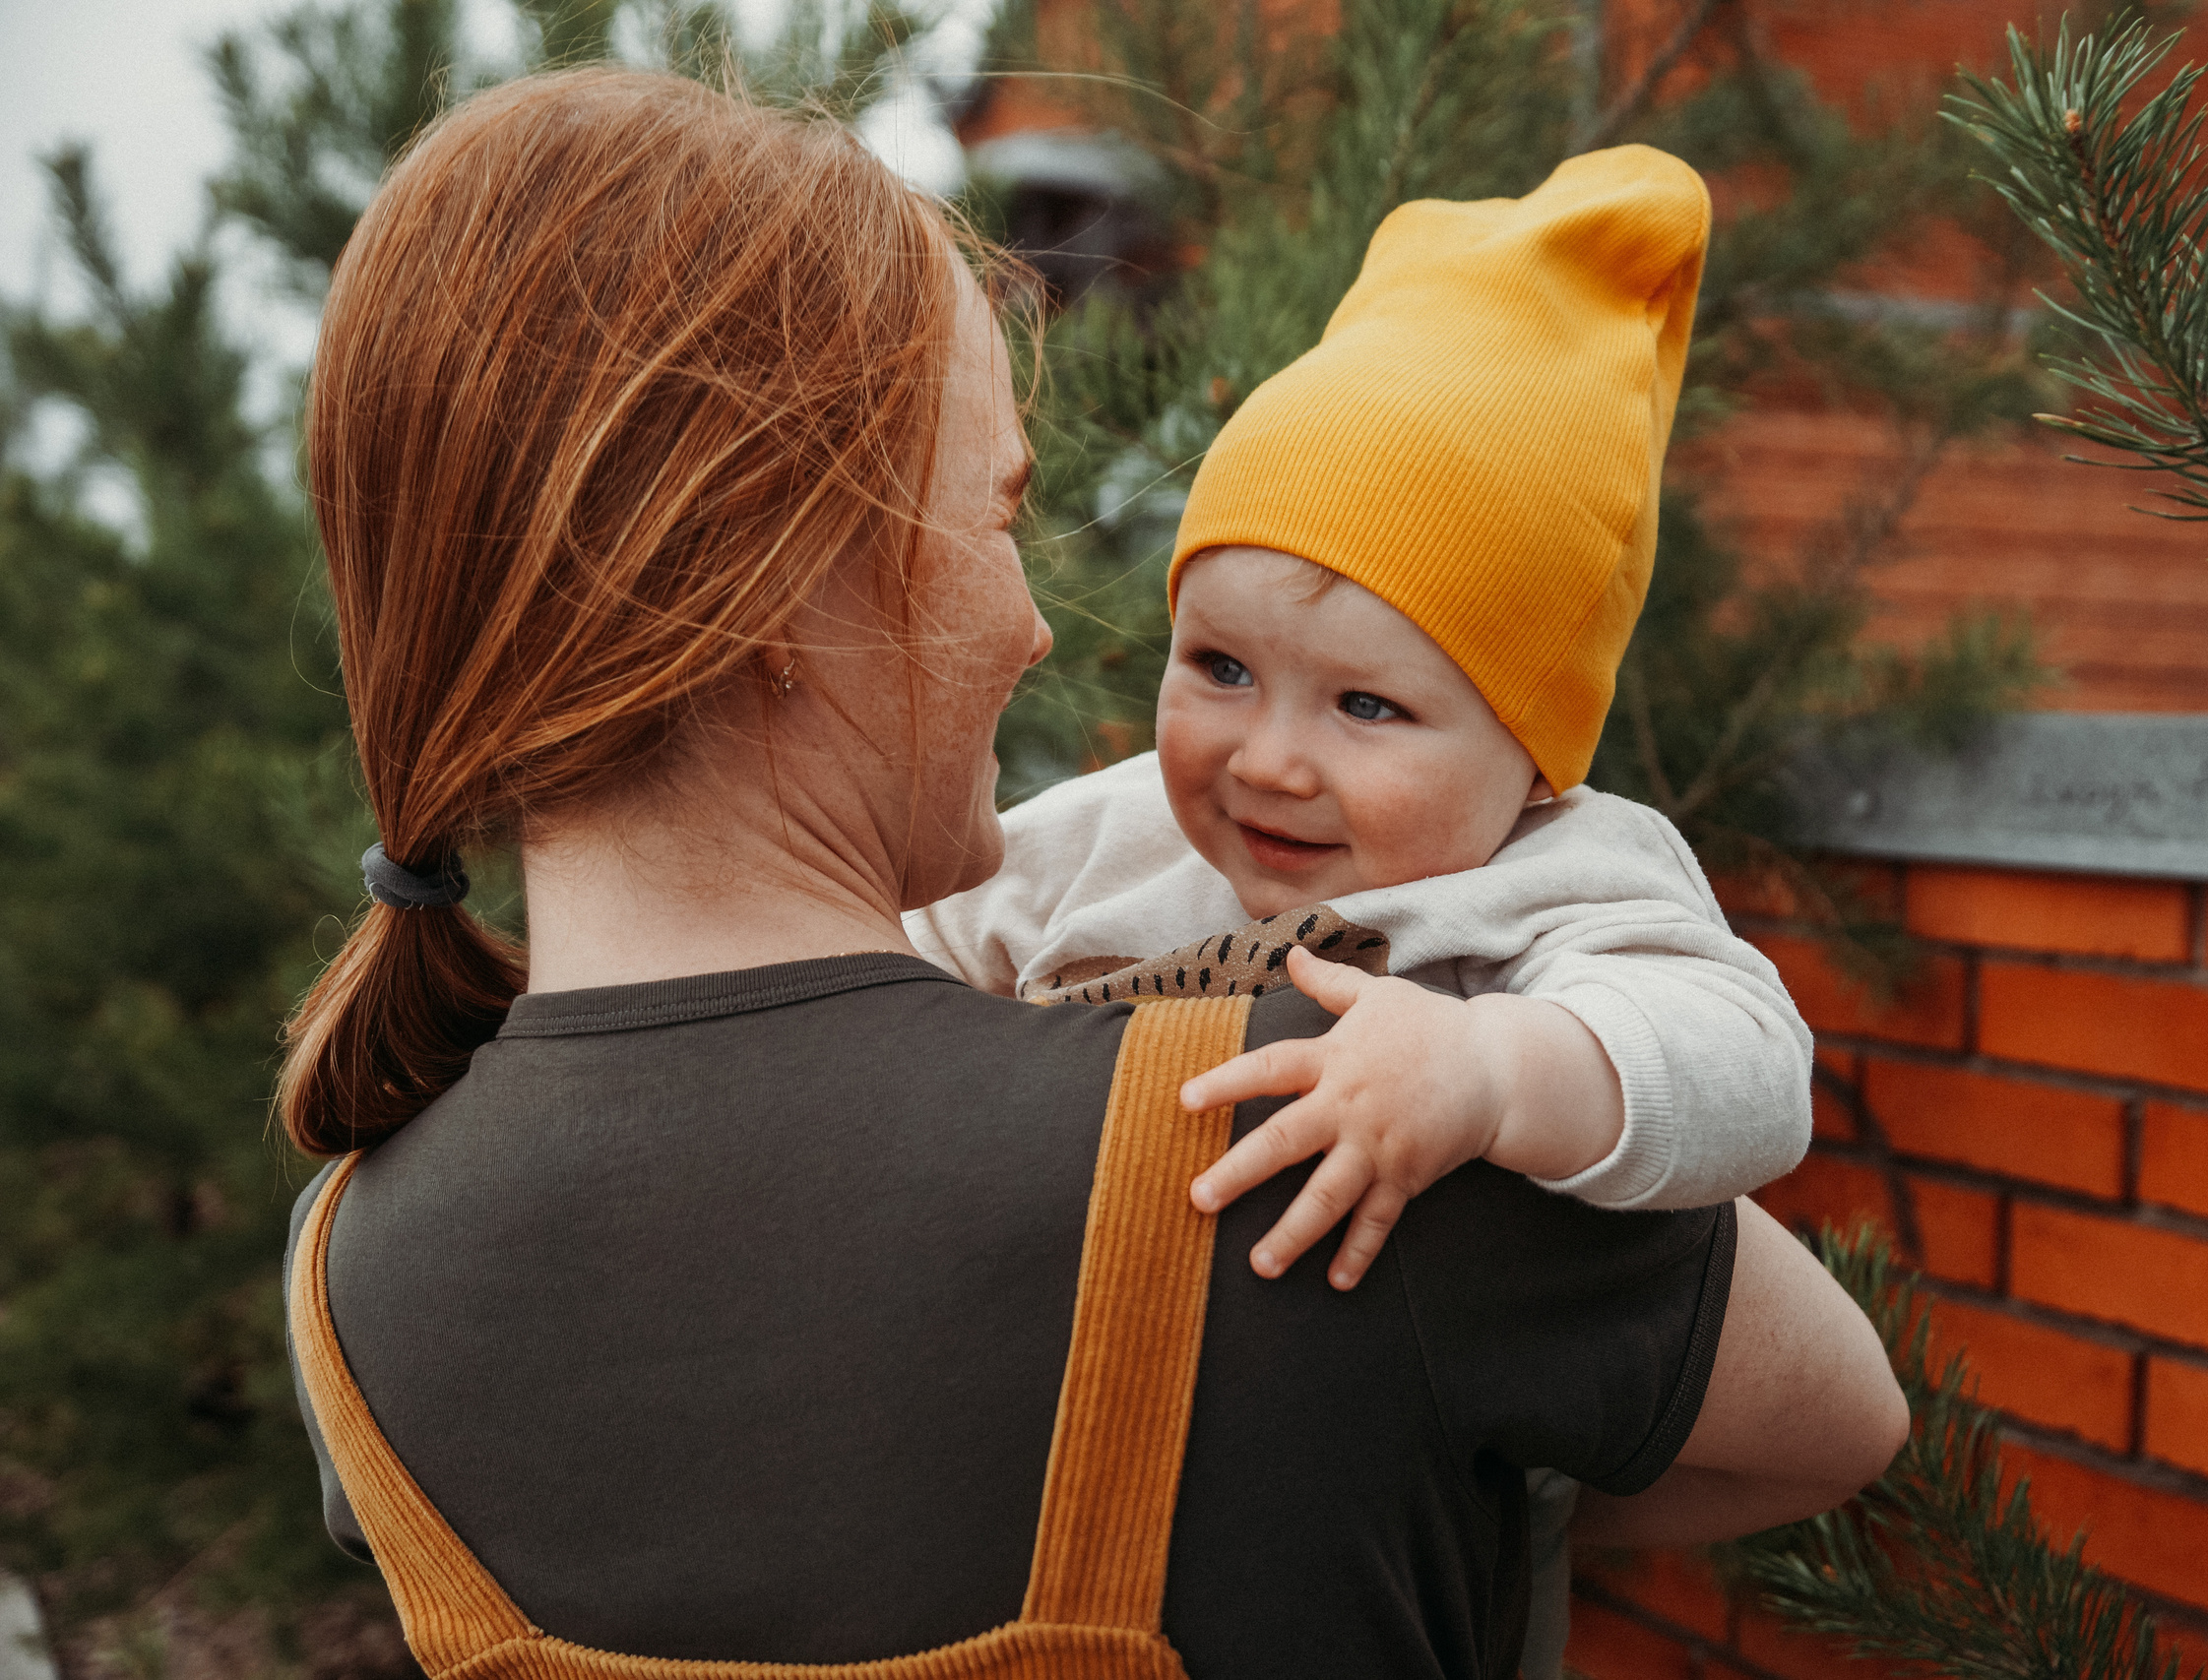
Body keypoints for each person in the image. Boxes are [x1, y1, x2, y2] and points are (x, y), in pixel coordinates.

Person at [277, 66, 1909, 1680]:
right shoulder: (1307, 1136)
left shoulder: (350, 1278)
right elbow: (1843, 1416)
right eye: (995, 518)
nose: (1041, 626)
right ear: (778, 577)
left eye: (1366, 702)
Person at [906, 150, 1801, 1679]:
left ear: (1528, 739)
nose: (1267, 757)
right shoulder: (1108, 841)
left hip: (1381, 1575)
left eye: (1369, 705)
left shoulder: (1562, 875)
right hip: (1052, 1519)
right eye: (1221, 669)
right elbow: (897, 960)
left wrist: (1492, 1073)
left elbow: (1747, 1070)